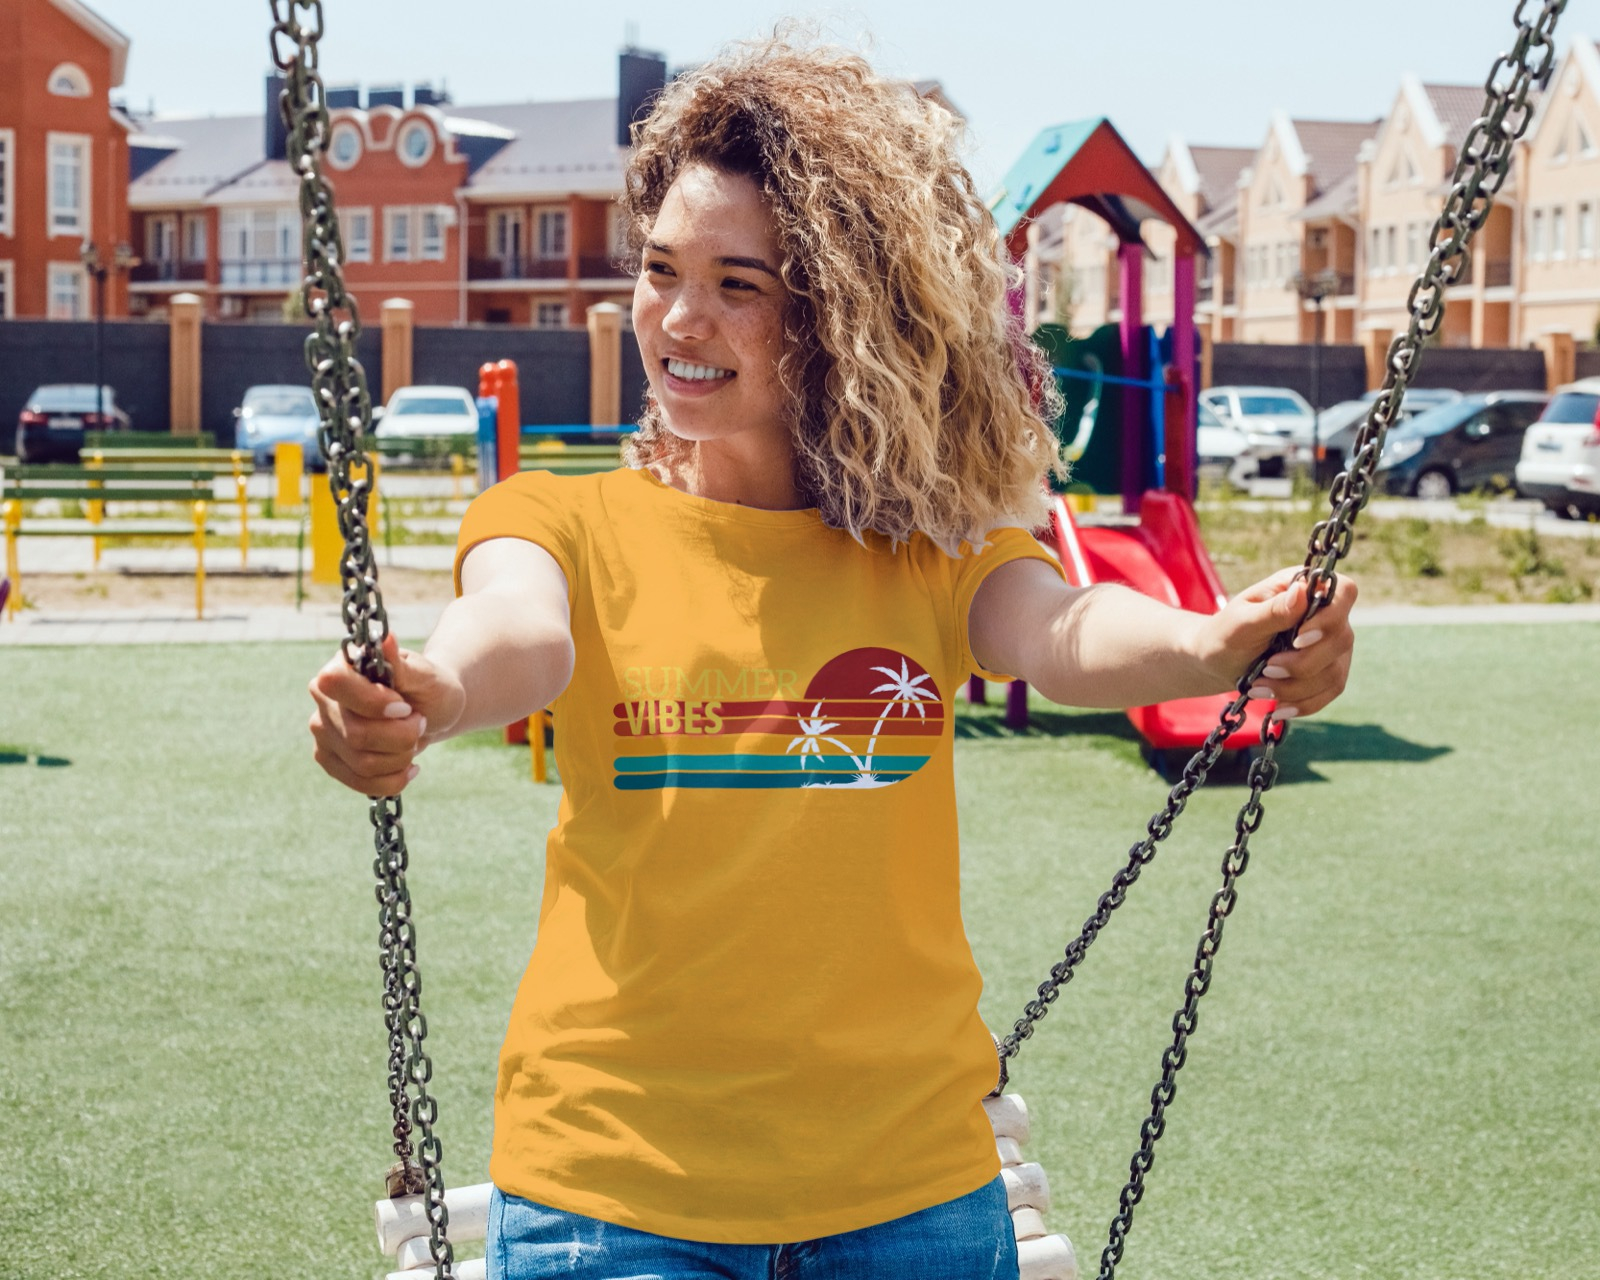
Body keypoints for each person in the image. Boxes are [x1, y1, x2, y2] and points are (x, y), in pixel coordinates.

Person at [309, 35, 1356, 1280]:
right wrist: (435, 693)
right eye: (660, 269)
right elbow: (518, 634)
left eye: (738, 284)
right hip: (615, 1182)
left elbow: (1057, 629)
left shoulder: (927, 548)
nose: (680, 318)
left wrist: (1210, 642)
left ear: (841, 312)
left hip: (906, 1185)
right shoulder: (560, 520)